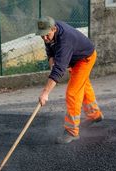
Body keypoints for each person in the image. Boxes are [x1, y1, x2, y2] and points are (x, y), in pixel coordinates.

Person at [36, 16, 104, 144]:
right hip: (75, 58)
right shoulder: (49, 32)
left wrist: (45, 93)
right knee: (82, 86)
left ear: (54, 29)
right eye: (42, 36)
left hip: (84, 59)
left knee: (72, 93)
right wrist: (51, 58)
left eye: (46, 35)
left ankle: (72, 132)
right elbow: (49, 47)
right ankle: (95, 114)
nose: (44, 38)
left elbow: (59, 70)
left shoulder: (65, 40)